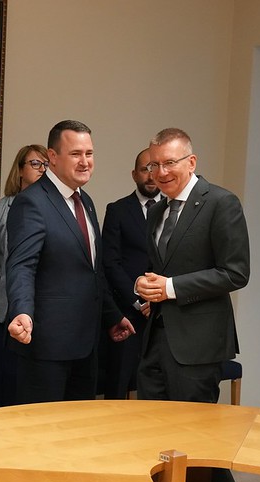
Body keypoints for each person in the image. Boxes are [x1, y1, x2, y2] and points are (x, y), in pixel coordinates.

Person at [6, 120, 135, 403]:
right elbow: (21, 266)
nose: (85, 162)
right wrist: (22, 311)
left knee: (80, 426)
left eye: (89, 153)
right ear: (52, 157)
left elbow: (92, 271)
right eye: (76, 154)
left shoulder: (85, 200)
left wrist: (112, 316)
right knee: (45, 427)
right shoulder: (31, 202)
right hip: (46, 348)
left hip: (86, 346)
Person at [136, 128, 250, 403]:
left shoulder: (221, 203)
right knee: (149, 423)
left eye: (169, 162)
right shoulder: (156, 210)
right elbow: (162, 267)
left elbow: (235, 273)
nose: (161, 172)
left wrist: (170, 288)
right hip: (154, 341)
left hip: (198, 346)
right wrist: (144, 285)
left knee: (192, 426)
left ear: (191, 162)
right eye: (154, 165)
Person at [0, 144, 49, 409]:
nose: (42, 170)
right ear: (19, 170)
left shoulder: (55, 208)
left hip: (42, 311)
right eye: (36, 164)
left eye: (46, 165)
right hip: (2, 310)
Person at [100, 149, 161, 399]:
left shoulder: (174, 210)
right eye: (145, 169)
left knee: (160, 386)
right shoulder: (118, 210)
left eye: (154, 168)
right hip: (128, 312)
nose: (151, 175)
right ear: (134, 174)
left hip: (165, 312)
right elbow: (110, 263)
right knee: (119, 384)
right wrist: (139, 300)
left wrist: (158, 299)